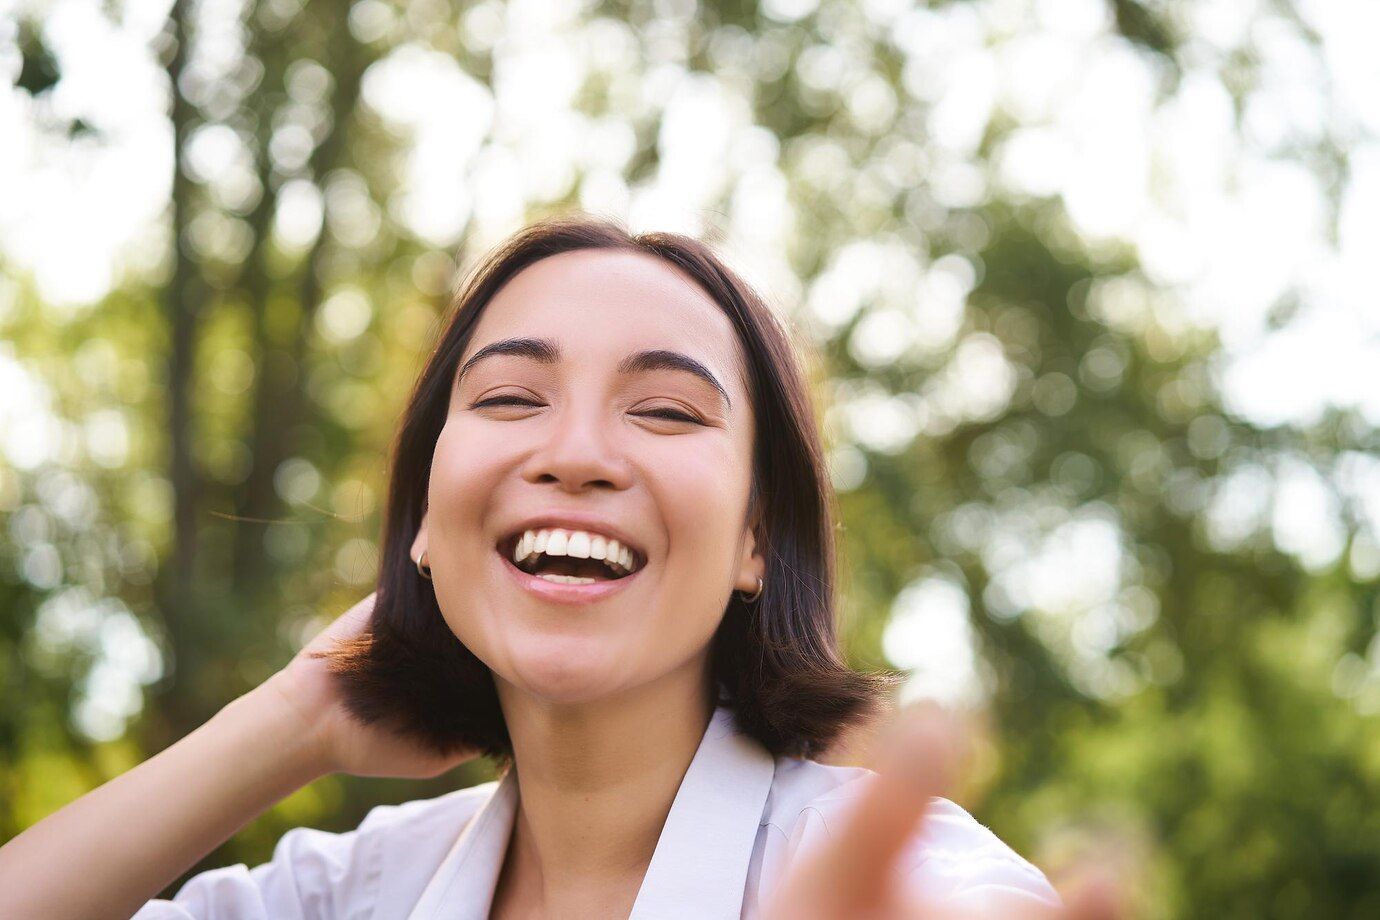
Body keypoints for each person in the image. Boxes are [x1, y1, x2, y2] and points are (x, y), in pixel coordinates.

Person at [0, 214, 1089, 919]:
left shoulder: (899, 874)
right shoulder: (354, 890)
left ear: (758, 538)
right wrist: (296, 714)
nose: (573, 454)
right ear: (426, 515)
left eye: (664, 409)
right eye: (511, 397)